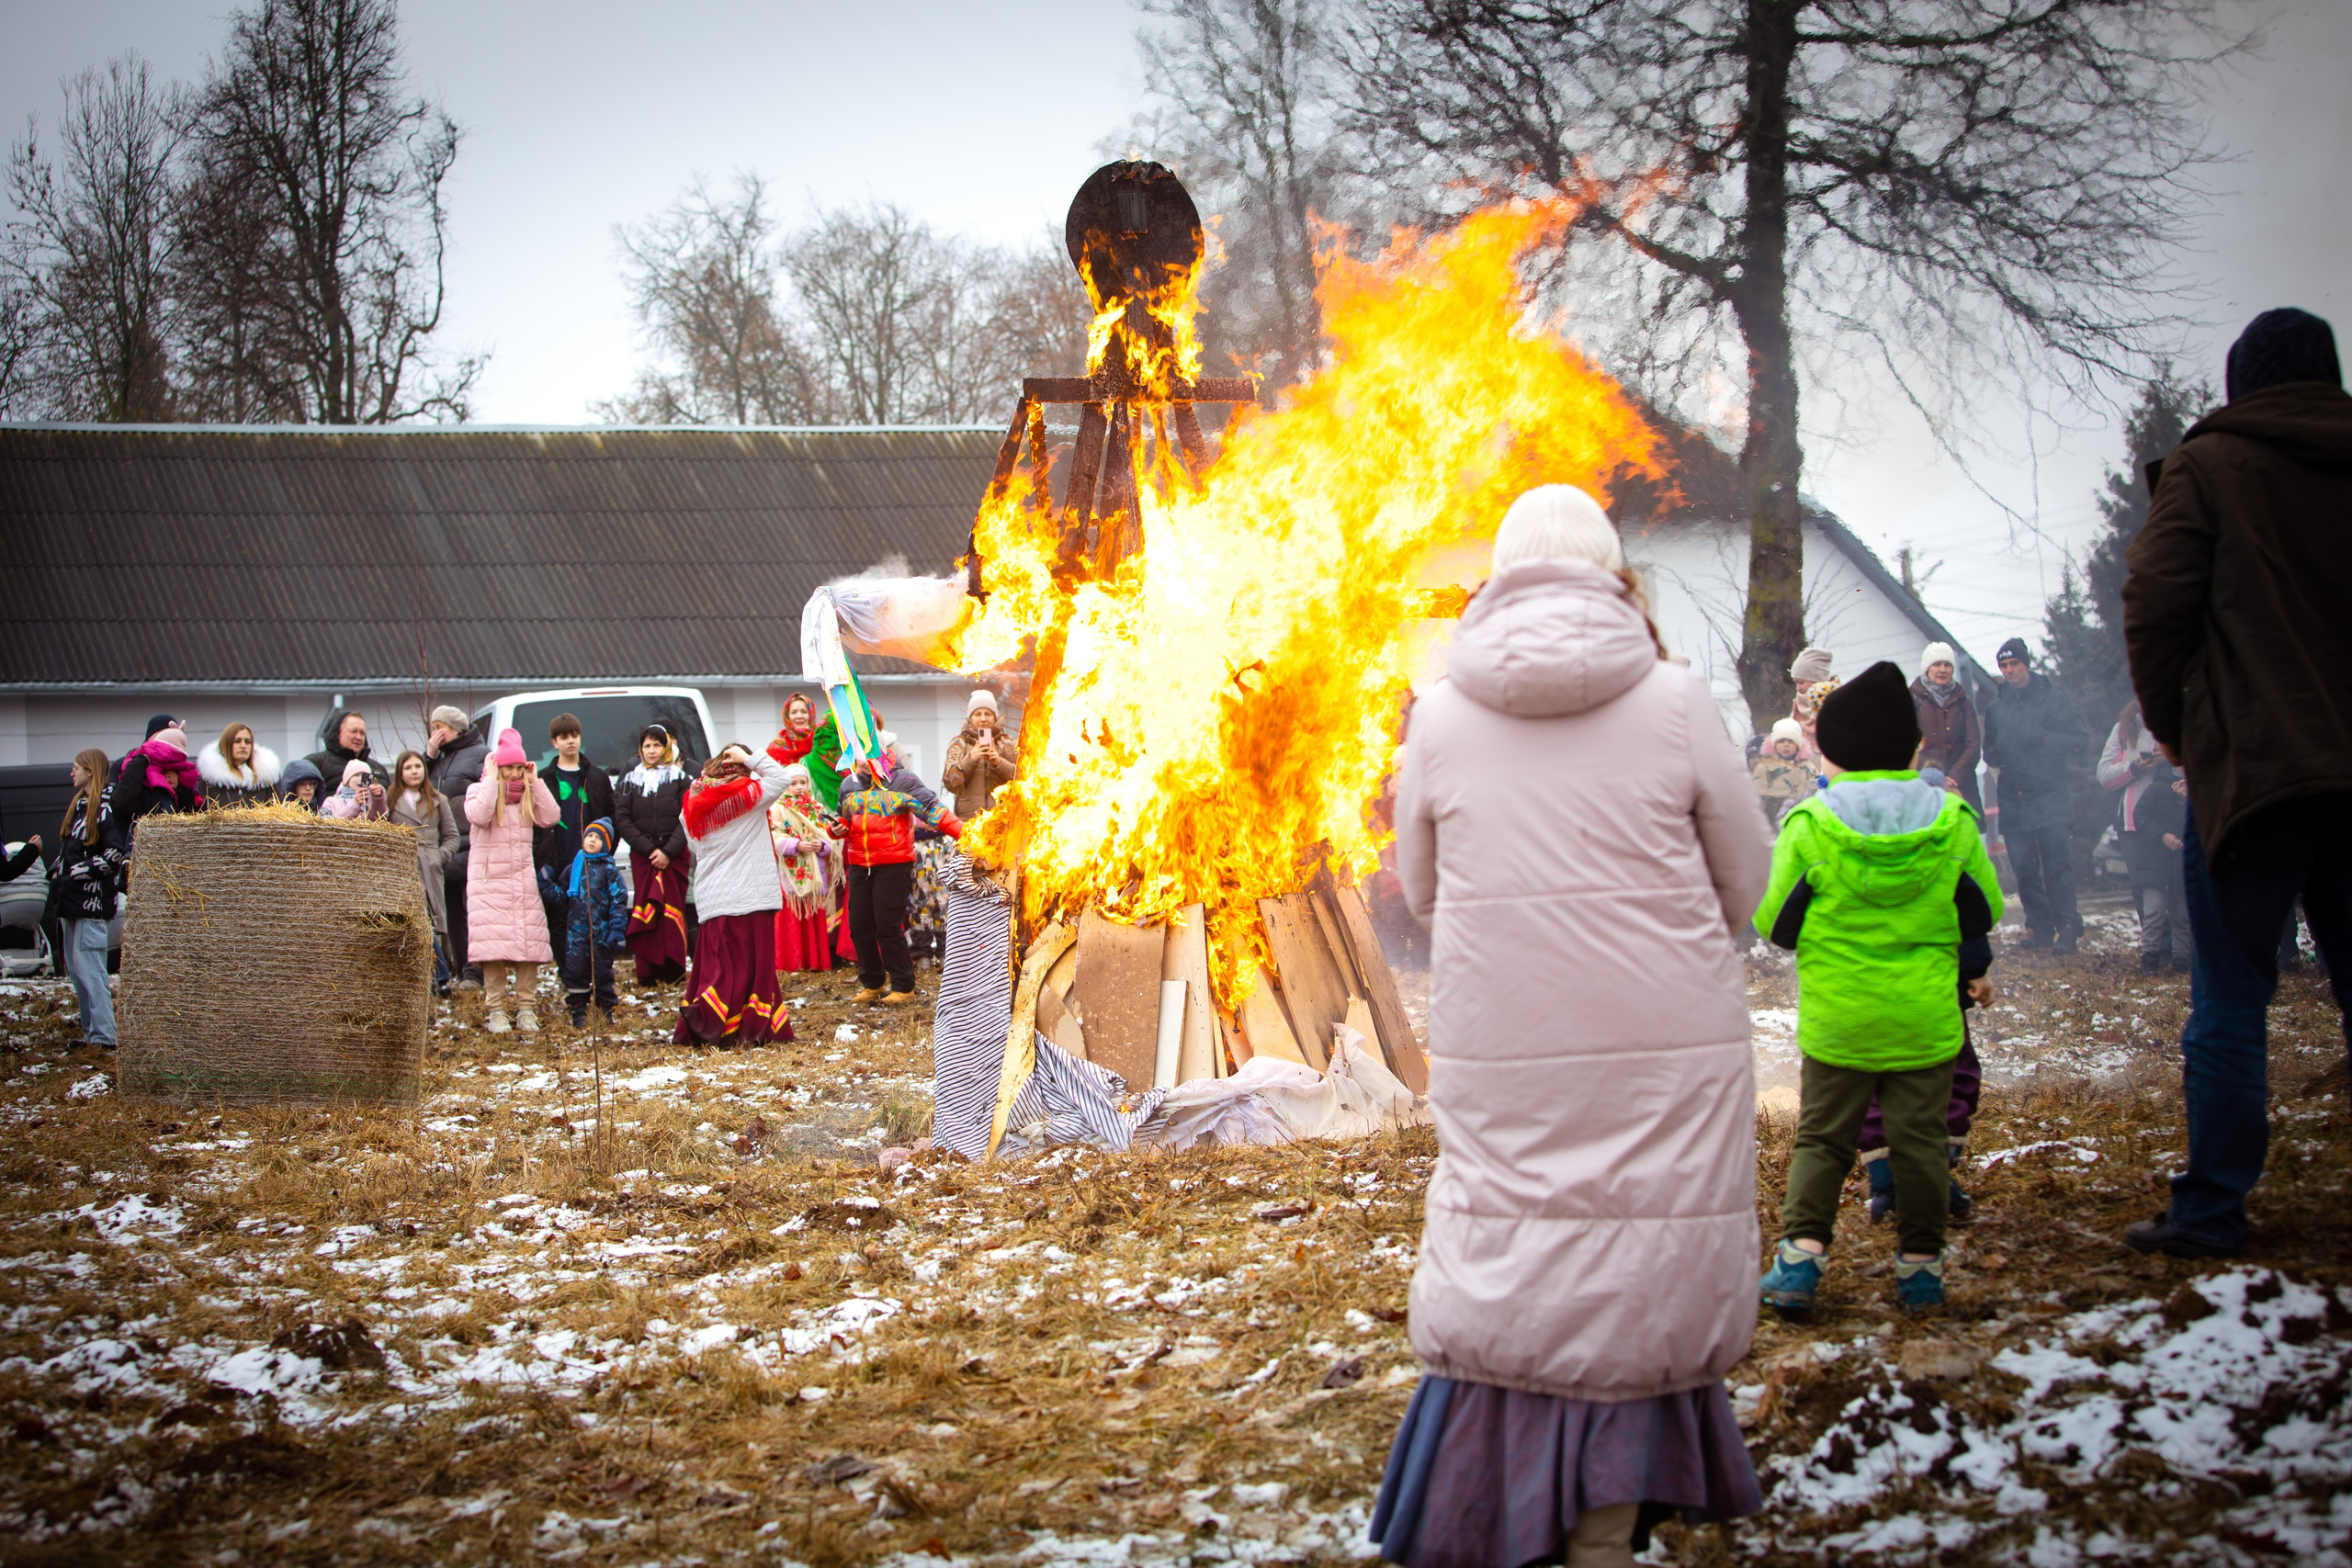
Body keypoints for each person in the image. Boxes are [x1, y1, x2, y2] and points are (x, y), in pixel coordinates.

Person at [1370, 485, 1770, 1568]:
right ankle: (1608, 1516)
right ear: (1613, 572)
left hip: (1505, 1028)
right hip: (1667, 1033)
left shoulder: (1441, 714)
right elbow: (1747, 882)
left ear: (1498, 578)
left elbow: (1422, 890)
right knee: (1647, 1241)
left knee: (1517, 1224)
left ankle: (1514, 1500)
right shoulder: (1681, 700)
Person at [2119, 305, 2352, 1259]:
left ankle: (2212, 1207)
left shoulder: (2210, 467)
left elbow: (2153, 603)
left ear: (2238, 385)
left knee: (2227, 999)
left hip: (2254, 778)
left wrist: (2178, 733)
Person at [1755, 662, 2003, 1317]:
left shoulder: (1809, 824)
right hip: (1924, 1020)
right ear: (1916, 748)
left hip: (1840, 1022)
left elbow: (1773, 923)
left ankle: (1800, 1263)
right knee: (1921, 1143)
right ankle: (1921, 1271)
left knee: (1823, 1141)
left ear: (1826, 752)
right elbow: (1986, 909)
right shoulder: (1951, 819)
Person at [677, 744, 797, 1046]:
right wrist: (749, 758)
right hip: (751, 896)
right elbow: (781, 778)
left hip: (714, 898)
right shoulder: (750, 795)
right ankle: (749, 1028)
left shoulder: (692, 800)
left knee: (719, 968)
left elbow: (693, 845)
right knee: (754, 970)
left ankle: (711, 1023)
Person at [1982, 637, 2087, 953]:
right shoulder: (1996, 708)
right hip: (2014, 800)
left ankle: (2068, 929)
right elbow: (1989, 751)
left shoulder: (2053, 700)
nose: (2010, 670)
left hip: (2050, 797)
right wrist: (1998, 753)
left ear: (2026, 664)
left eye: (2014, 664)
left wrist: (2045, 740)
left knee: (2057, 867)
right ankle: (2040, 929)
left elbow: (2081, 741)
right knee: (2024, 870)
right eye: (2004, 665)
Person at [838, 739, 963, 1006]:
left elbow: (934, 810)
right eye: (855, 757)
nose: (860, 762)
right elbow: (843, 818)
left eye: (866, 755)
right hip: (860, 864)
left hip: (893, 864)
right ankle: (873, 983)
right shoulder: (849, 784)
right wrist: (835, 829)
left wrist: (968, 835)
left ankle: (904, 986)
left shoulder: (902, 780)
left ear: (881, 753)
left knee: (888, 927)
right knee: (859, 927)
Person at [464, 729, 559, 1034]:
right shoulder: (477, 791)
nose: (515, 773)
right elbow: (478, 815)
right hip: (489, 884)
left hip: (521, 882)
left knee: (527, 948)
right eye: (510, 768)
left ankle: (527, 1008)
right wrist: (491, 780)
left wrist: (535, 781)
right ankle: (496, 1011)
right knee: (493, 951)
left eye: (519, 767)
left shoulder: (527, 795)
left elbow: (552, 817)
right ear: (497, 766)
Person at [2097, 699, 2190, 975]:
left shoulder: (2178, 724)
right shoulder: (2124, 730)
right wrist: (2136, 767)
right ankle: (2157, 955)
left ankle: (2184, 954)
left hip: (2179, 819)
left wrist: (2173, 757)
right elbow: (2103, 776)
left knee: (2182, 892)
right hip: (2135, 823)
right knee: (2146, 894)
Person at [46, 750, 125, 1051]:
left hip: (91, 903)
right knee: (77, 970)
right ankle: (92, 1034)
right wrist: (58, 871)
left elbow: (114, 854)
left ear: (90, 770)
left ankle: (106, 1037)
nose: (72, 773)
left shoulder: (106, 809)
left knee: (90, 966)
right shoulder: (80, 807)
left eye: (76, 767)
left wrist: (77, 872)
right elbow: (75, 850)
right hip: (70, 902)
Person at [616, 723, 694, 984]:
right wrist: (650, 850)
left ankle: (674, 969)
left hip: (673, 857)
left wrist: (668, 851)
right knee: (647, 907)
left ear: (667, 747)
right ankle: (648, 972)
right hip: (645, 856)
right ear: (640, 750)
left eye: (657, 745)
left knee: (672, 910)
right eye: (647, 745)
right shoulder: (630, 780)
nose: (652, 750)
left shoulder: (680, 779)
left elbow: (688, 818)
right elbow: (623, 818)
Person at [534, 712, 615, 962]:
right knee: (560, 921)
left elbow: (611, 817)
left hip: (591, 864)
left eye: (575, 735)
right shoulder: (544, 779)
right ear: (554, 742)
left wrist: (604, 854)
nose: (571, 741)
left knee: (594, 920)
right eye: (564, 736)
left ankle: (592, 973)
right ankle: (567, 976)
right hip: (558, 861)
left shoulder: (596, 777)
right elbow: (535, 822)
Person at [424, 705, 489, 990]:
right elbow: (417, 789)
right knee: (452, 915)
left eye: (440, 727)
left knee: (472, 910)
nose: (435, 734)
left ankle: (476, 971)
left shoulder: (480, 754)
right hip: (446, 848)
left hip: (472, 844)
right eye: (432, 728)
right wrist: (427, 757)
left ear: (456, 729)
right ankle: (463, 971)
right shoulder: (436, 760)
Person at [387, 750, 462, 990]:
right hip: (403, 867)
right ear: (400, 772)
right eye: (408, 768)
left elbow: (452, 836)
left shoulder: (438, 799)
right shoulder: (391, 800)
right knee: (414, 921)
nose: (414, 771)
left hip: (430, 866)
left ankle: (437, 976)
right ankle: (436, 977)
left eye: (417, 766)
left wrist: (439, 857)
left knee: (432, 921)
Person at [769, 761, 842, 972]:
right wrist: (796, 845)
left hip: (815, 874)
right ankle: (791, 964)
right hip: (790, 874)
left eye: (803, 782)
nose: (799, 787)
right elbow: (773, 835)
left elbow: (828, 835)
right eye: (793, 783)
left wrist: (823, 845)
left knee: (814, 916)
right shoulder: (777, 808)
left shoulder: (815, 808)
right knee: (791, 918)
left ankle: (815, 962)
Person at [563, 818, 627, 1027]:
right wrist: (546, 886)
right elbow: (563, 896)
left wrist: (617, 928)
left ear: (606, 844)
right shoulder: (574, 867)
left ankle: (605, 1011)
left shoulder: (609, 870)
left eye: (598, 838)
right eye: (589, 835)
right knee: (576, 971)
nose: (592, 840)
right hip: (577, 934)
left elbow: (618, 900)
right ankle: (578, 1012)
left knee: (602, 973)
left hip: (601, 933)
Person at [1911, 642, 1984, 816]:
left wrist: (1953, 777)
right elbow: (1908, 746)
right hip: (1926, 786)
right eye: (1937, 664)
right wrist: (1935, 776)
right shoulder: (1912, 701)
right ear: (1927, 668)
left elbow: (1973, 744)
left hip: (1961, 786)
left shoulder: (1962, 701)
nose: (1942, 669)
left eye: (1947, 665)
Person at [109, 724, 202, 837]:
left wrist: (179, 789)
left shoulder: (182, 772)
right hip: (138, 846)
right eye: (161, 733)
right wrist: (138, 766)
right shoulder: (133, 763)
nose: (166, 743)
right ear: (149, 738)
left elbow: (196, 818)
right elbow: (121, 806)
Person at [941, 690, 1021, 819]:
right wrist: (971, 760)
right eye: (977, 714)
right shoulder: (959, 744)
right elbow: (951, 783)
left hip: (1004, 819)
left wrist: (999, 763)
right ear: (970, 718)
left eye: (988, 714)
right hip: (970, 822)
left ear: (995, 717)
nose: (983, 719)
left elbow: (1022, 779)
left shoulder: (1009, 743)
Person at [198, 722, 282, 808]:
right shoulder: (208, 783)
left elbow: (280, 813)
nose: (243, 746)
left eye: (247, 742)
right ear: (226, 745)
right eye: (237, 741)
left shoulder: (266, 781)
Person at [305, 709, 388, 793]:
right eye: (353, 731)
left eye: (362, 733)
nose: (358, 737)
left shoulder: (379, 769)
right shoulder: (316, 763)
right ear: (337, 734)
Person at [1752, 717, 1815, 829]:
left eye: (1791, 741)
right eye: (1781, 741)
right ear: (1774, 745)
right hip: (1770, 819)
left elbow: (1812, 790)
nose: (1786, 745)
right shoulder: (1764, 767)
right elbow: (1757, 792)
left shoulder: (1807, 767)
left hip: (1798, 818)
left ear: (1798, 745)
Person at [1790, 647, 1838, 754]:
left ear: (1818, 679)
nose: (1798, 688)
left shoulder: (1838, 703)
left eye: (1801, 682)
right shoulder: (1798, 704)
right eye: (1796, 683)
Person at [322, 758, 389, 820]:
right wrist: (355, 804)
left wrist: (377, 798)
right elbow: (324, 823)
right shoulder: (332, 801)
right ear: (347, 781)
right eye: (357, 775)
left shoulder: (370, 801)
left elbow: (380, 819)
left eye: (364, 776)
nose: (360, 779)